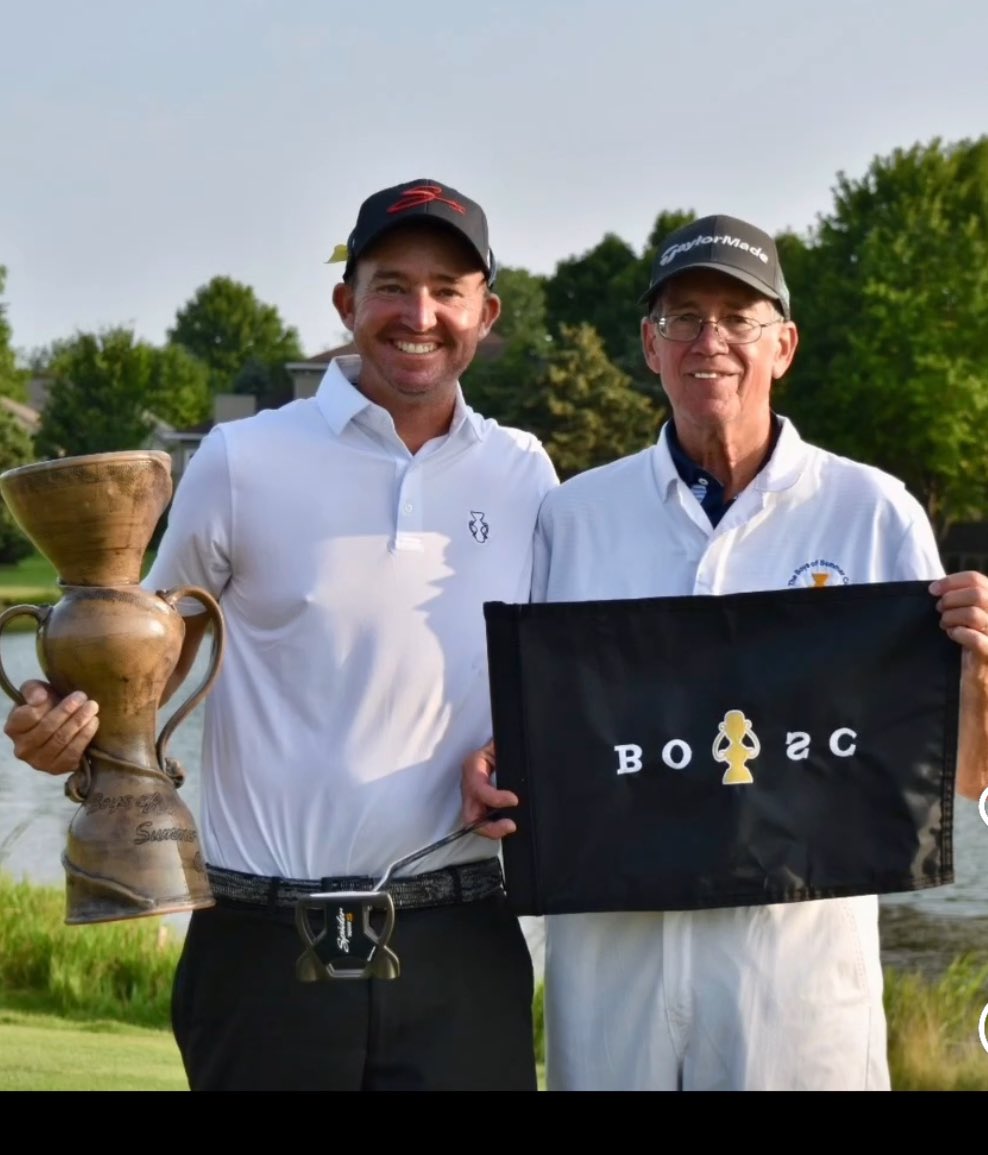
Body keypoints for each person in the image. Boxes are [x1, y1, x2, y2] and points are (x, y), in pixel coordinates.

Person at [3, 178, 558, 1091]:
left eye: (447, 290)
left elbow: (554, 687)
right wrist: (60, 717)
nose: (418, 313)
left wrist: (518, 755)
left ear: (485, 312)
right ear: (346, 302)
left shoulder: (525, 472)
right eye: (390, 285)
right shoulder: (242, 459)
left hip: (463, 944)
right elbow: (141, 662)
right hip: (263, 952)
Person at [462, 213, 988, 1092]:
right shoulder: (575, 516)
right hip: (613, 955)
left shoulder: (873, 511)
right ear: (650, 345)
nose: (711, 341)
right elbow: (541, 730)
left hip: (793, 967)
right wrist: (497, 766)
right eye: (684, 318)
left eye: (738, 319)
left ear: (783, 343)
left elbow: (961, 778)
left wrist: (978, 678)